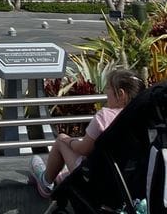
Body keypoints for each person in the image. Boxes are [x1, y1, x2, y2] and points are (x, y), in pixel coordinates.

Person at [29, 69, 144, 198]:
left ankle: (46, 182)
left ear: (121, 94)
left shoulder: (105, 116)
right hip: (130, 182)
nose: (106, 92)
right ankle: (64, 176)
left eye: (108, 88)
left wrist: (70, 141)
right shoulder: (143, 119)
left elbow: (84, 149)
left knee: (61, 140)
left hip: (97, 181)